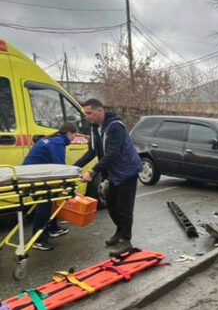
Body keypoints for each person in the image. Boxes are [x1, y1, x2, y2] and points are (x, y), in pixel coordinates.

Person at [76, 99, 143, 256]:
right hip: (112, 173)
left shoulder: (115, 127)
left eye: (90, 113)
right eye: (86, 114)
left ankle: (126, 240)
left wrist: (92, 173)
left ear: (100, 110)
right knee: (111, 205)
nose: (87, 117)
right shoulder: (94, 128)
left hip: (127, 171)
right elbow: (92, 152)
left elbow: (112, 154)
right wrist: (74, 168)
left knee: (124, 208)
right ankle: (119, 232)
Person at [23, 122, 78, 251]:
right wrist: (69, 181)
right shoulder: (58, 142)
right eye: (74, 136)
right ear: (69, 133)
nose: (74, 139)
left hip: (34, 174)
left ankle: (53, 228)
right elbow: (59, 165)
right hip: (35, 176)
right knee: (45, 204)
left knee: (52, 199)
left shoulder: (52, 139)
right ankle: (38, 240)